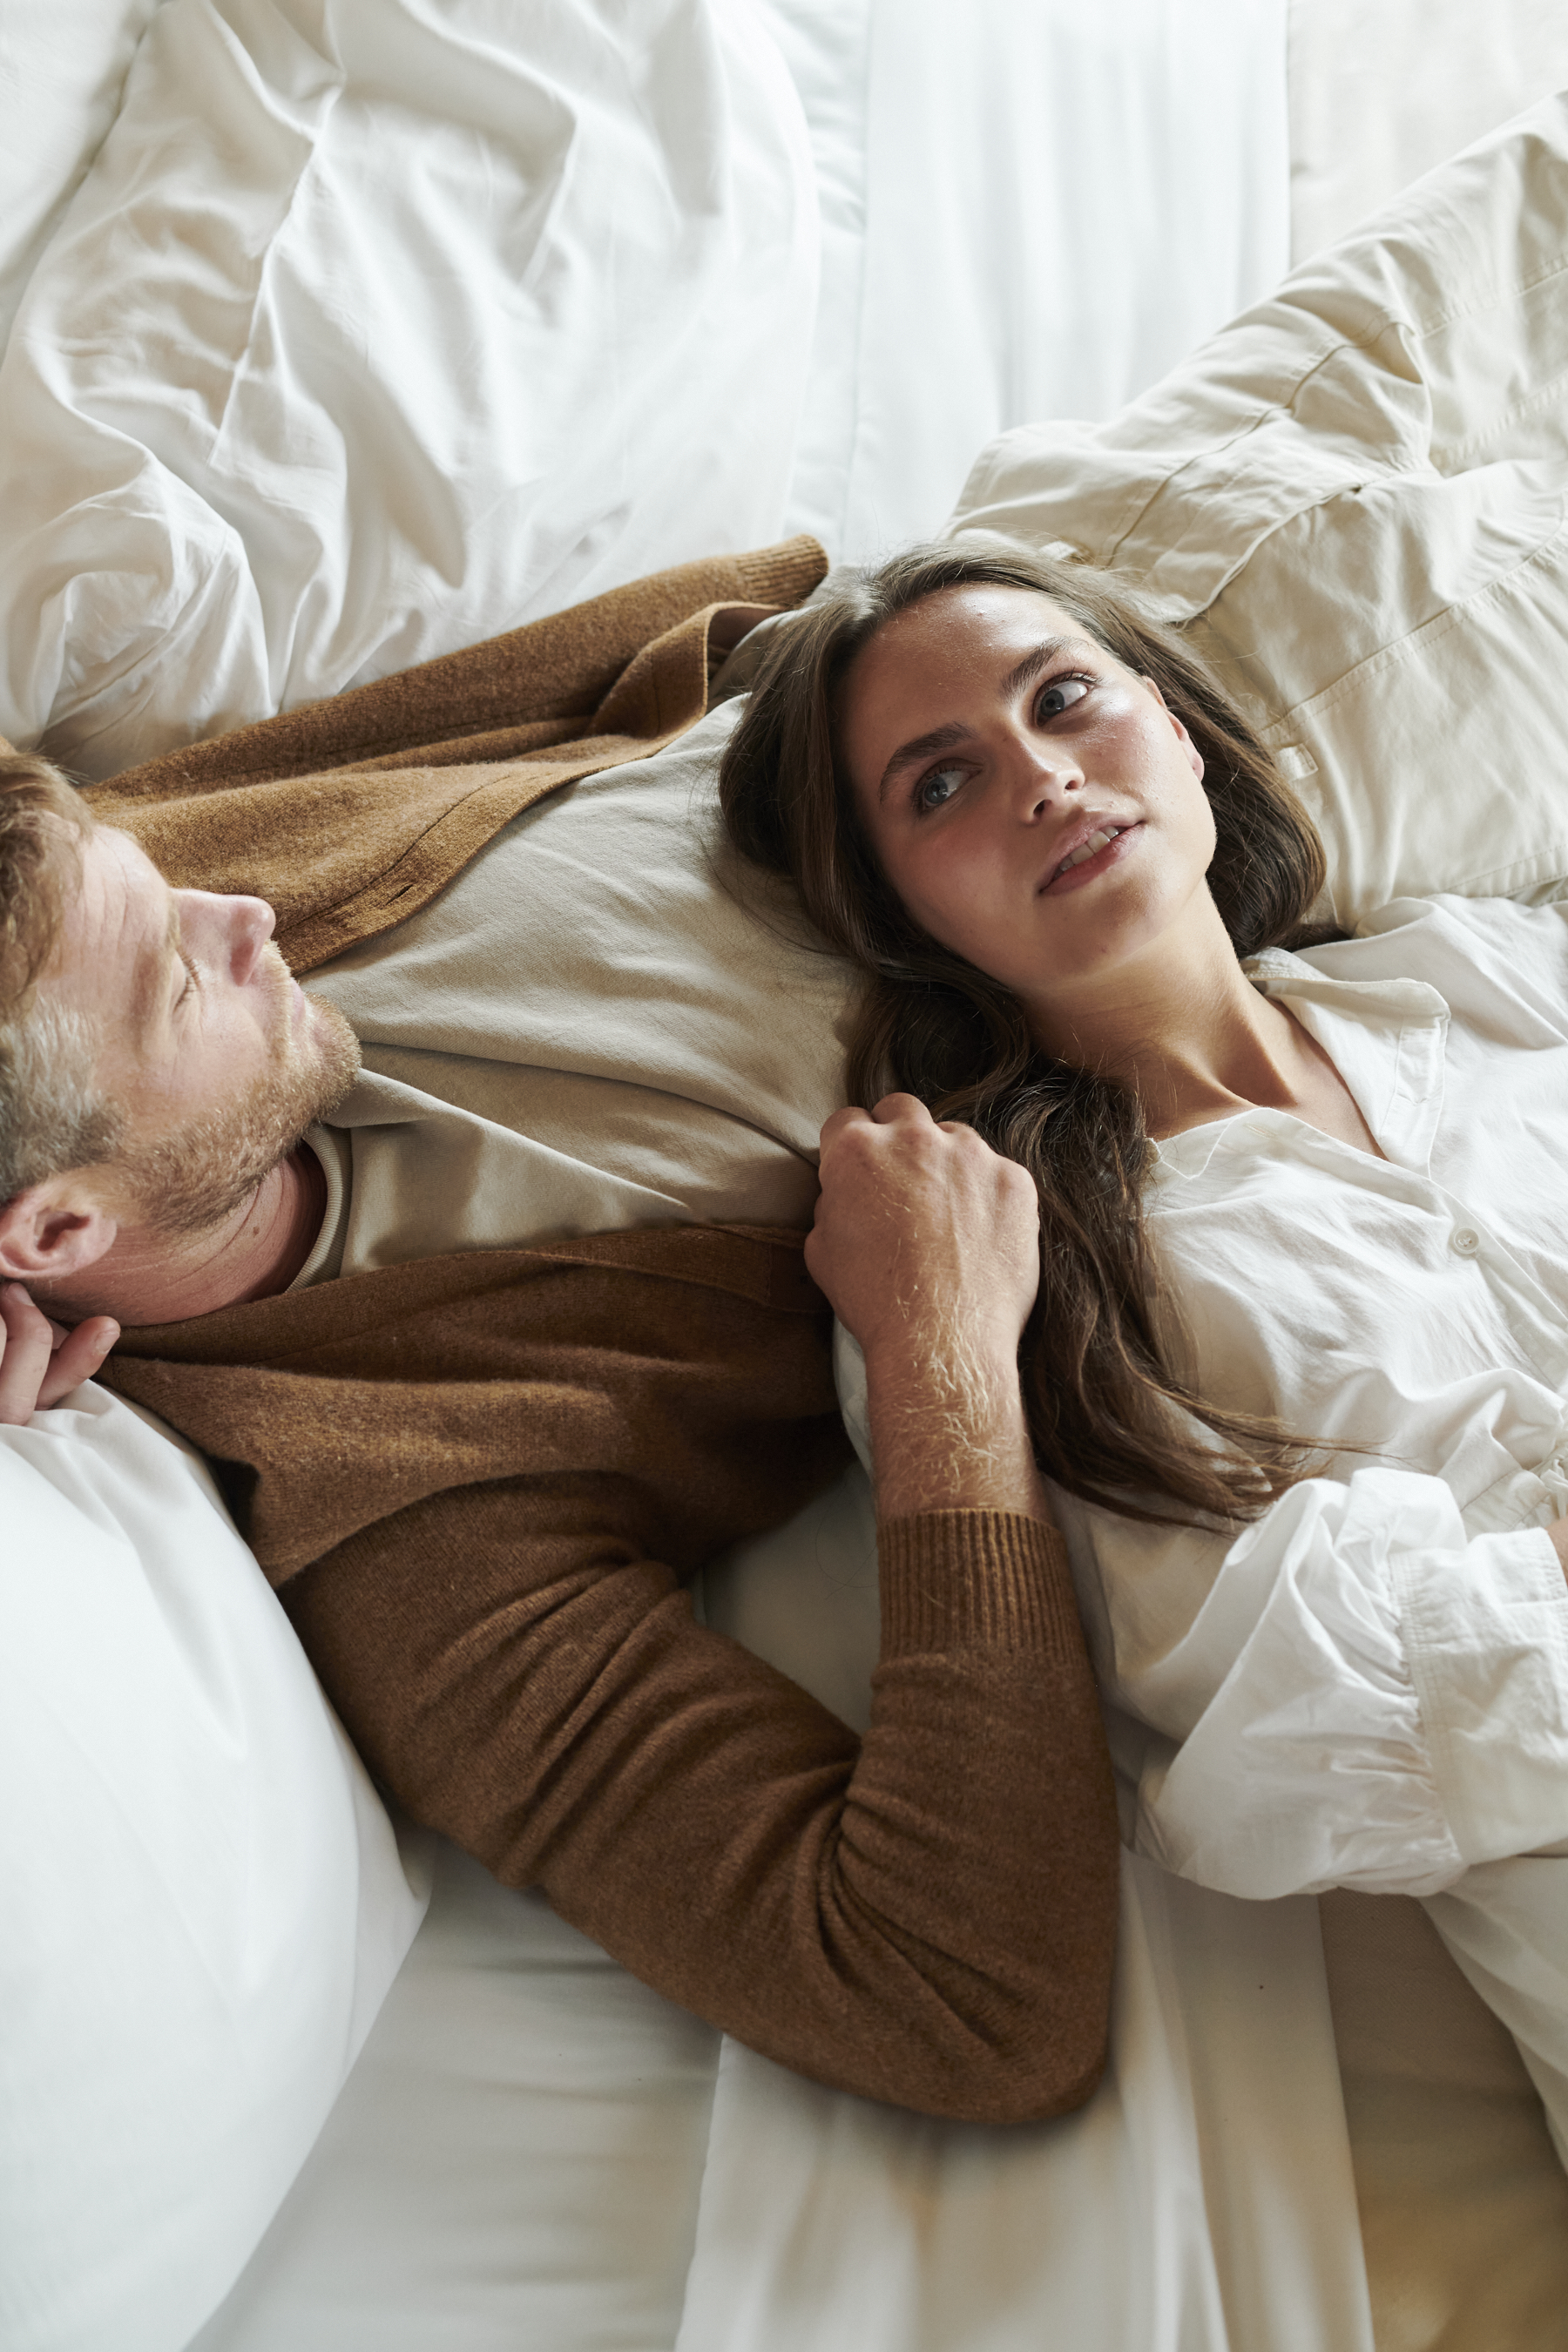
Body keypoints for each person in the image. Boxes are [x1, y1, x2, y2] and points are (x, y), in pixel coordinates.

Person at [0, 696, 1119, 2123]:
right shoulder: (415, 1544)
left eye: (160, 869)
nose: (248, 908)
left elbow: (663, 650)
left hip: (969, 668)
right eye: (181, 982)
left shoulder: (75, 911)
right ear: (51, 1237)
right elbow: (968, 2008)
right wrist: (943, 1361)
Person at [718, 537, 1568, 2158]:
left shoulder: (1496, 975)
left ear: (1175, 732)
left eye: (1066, 700)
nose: (1043, 777)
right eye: (942, 782)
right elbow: (1323, 1720)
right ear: (898, 912)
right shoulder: (1017, 1270)